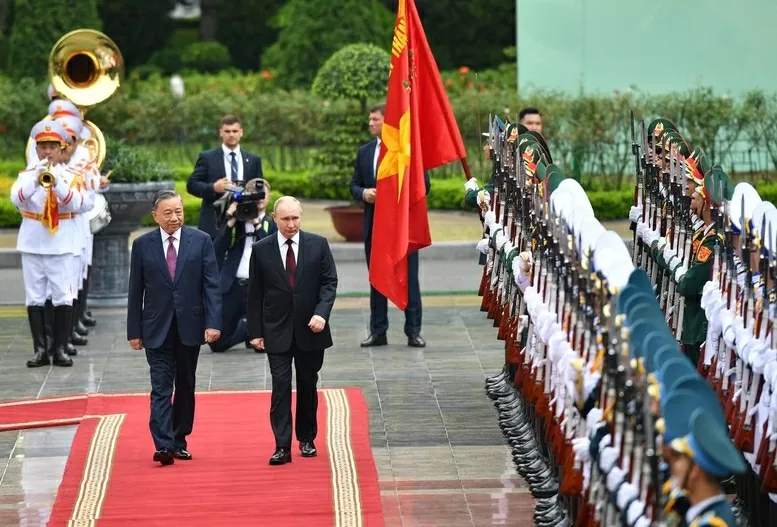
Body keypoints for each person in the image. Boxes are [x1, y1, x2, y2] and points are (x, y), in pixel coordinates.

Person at [127, 190, 222, 466]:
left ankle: (180, 440)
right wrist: (134, 330)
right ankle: (163, 445)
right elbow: (136, 291)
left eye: (178, 212)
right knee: (160, 388)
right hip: (155, 328)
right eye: (167, 213)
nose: (174, 218)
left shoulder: (201, 241)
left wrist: (213, 323)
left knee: (185, 385)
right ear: (155, 215)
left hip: (190, 326)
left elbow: (212, 285)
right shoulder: (143, 245)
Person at [247, 196, 338, 465]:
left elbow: (329, 282)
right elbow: (254, 293)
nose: (291, 224)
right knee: (281, 385)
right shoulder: (261, 249)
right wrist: (255, 331)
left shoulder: (318, 244)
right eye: (285, 219)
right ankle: (282, 445)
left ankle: (307, 438)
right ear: (274, 219)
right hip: (276, 329)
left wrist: (321, 313)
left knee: (308, 384)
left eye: (295, 218)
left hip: (311, 329)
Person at [349, 103, 429, 348]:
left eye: (375, 119)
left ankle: (413, 330)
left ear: (387, 121)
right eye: (370, 119)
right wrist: (364, 193)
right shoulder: (364, 152)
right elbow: (353, 185)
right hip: (375, 225)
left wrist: (398, 195)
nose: (370, 123)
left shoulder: (406, 151)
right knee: (377, 278)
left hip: (402, 227)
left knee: (410, 279)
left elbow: (423, 185)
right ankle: (378, 331)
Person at [11, 120, 88, 368]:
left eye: (52, 147)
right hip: (33, 243)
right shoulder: (26, 175)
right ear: (37, 148)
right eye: (43, 147)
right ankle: (40, 350)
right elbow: (17, 199)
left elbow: (76, 203)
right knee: (35, 297)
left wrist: (57, 182)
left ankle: (60, 349)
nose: (47, 152)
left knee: (62, 296)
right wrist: (36, 180)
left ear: (61, 148)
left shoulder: (71, 177)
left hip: (62, 244)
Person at [211, 179, 276, 353]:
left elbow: (272, 250)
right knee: (217, 344)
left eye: (262, 195)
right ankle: (246, 330)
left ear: (269, 197)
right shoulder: (237, 221)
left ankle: (256, 331)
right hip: (233, 285)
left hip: (259, 289)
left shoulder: (272, 222)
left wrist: (256, 222)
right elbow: (216, 250)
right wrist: (230, 221)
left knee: (262, 347)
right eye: (254, 194)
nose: (259, 199)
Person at [186, 115, 264, 238]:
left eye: (235, 131)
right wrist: (213, 188)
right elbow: (191, 185)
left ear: (241, 132)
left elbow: (260, 188)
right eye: (227, 131)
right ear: (221, 133)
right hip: (215, 222)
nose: (231, 134)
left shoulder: (254, 160)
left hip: (244, 222)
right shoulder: (208, 158)